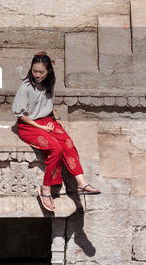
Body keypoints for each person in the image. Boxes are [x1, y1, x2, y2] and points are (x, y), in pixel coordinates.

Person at [12, 52, 100, 211]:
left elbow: (48, 103)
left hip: (47, 120)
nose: (37, 75)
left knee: (67, 143)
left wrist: (57, 117)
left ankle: (81, 183)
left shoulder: (49, 84)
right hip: (29, 125)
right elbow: (20, 115)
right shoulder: (25, 87)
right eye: (34, 71)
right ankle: (46, 189)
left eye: (41, 72)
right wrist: (41, 127)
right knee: (55, 149)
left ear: (48, 72)